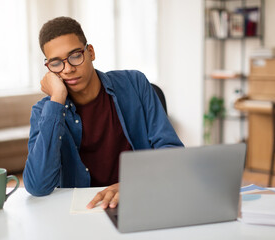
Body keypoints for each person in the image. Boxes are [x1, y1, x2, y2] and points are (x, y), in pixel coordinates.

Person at [23, 16, 183, 209]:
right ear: (48, 68)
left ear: (90, 52)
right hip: (85, 209)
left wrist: (134, 185)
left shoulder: (135, 84)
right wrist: (57, 98)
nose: (68, 69)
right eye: (56, 63)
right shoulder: (45, 111)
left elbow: (173, 153)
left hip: (140, 198)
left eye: (75, 56)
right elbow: (38, 186)